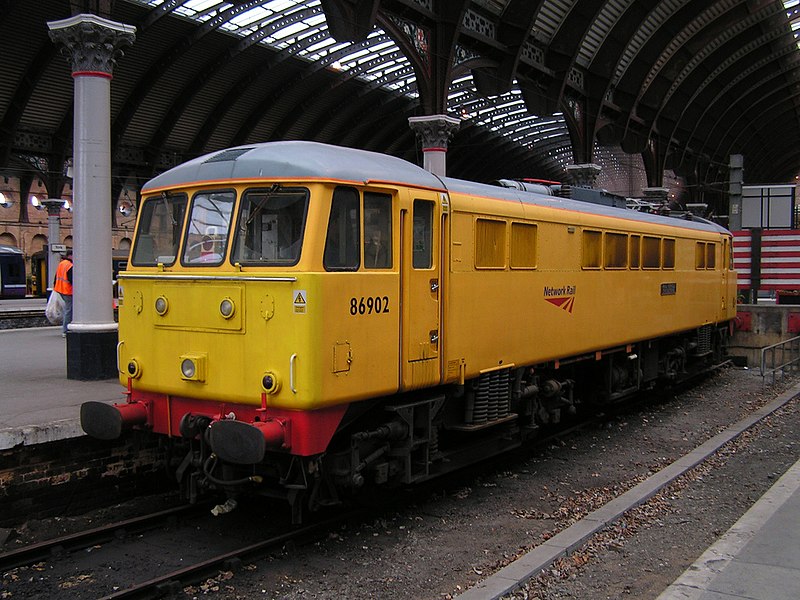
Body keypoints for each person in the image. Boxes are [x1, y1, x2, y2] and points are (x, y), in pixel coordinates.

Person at [53, 251, 73, 337]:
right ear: (70, 256)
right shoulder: (69, 266)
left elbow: (56, 277)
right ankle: (66, 330)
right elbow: (72, 280)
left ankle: (66, 328)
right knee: (69, 310)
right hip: (67, 290)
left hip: (59, 289)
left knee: (66, 309)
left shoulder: (61, 264)